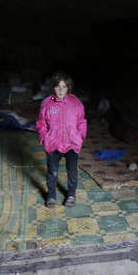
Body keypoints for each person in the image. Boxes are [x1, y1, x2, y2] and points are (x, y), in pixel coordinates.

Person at [36, 71, 87, 207]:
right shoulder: (47, 103)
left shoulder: (76, 103)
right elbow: (41, 123)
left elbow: (81, 121)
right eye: (58, 86)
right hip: (53, 143)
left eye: (64, 87)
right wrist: (44, 138)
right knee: (52, 171)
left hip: (71, 143)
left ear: (68, 88)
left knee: (72, 171)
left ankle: (71, 194)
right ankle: (51, 196)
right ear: (53, 87)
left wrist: (80, 136)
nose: (61, 90)